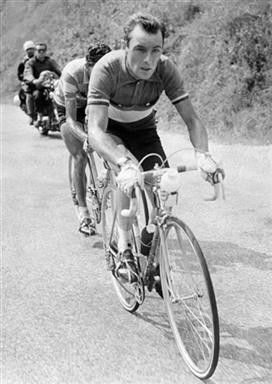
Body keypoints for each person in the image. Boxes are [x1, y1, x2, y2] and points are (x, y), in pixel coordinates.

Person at [87, 13, 225, 281]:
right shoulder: (106, 69)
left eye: (155, 50)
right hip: (110, 130)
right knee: (127, 179)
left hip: (144, 130)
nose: (148, 59)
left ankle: (151, 239)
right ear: (125, 46)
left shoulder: (165, 69)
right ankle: (124, 246)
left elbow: (192, 119)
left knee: (160, 184)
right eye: (139, 49)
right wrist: (123, 163)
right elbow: (95, 130)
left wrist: (203, 154)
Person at [53, 42, 112, 236]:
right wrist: (86, 137)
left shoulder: (110, 72)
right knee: (80, 155)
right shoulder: (73, 73)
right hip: (67, 108)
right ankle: (83, 213)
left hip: (92, 104)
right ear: (88, 66)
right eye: (98, 70)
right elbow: (70, 119)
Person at [24, 42, 61, 127]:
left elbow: (58, 70)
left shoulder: (50, 61)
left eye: (43, 50)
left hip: (50, 85)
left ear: (46, 51)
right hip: (37, 86)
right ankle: (39, 116)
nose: (41, 52)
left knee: (59, 94)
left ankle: (59, 116)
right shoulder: (30, 62)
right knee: (37, 95)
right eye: (39, 50)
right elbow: (28, 73)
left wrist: (63, 77)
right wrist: (34, 80)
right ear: (35, 51)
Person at [16, 41, 36, 120]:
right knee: (28, 93)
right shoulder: (23, 62)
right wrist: (25, 78)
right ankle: (31, 114)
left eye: (31, 49)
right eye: (28, 49)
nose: (30, 50)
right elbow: (20, 74)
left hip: (39, 80)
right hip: (28, 82)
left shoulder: (38, 59)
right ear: (26, 51)